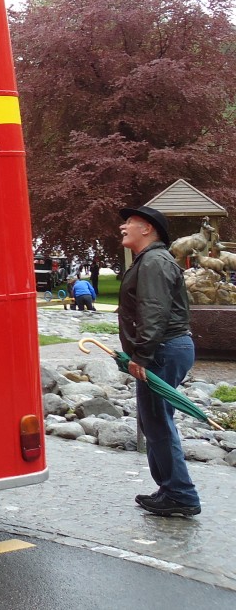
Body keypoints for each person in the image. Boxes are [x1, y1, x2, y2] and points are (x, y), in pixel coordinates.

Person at [118, 205, 201, 518]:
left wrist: (141, 355)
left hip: (163, 349)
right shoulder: (151, 260)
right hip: (166, 348)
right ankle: (171, 490)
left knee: (157, 421)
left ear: (147, 229)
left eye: (130, 222)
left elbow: (154, 310)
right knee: (154, 420)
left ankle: (180, 494)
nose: (123, 226)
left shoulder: (154, 261)